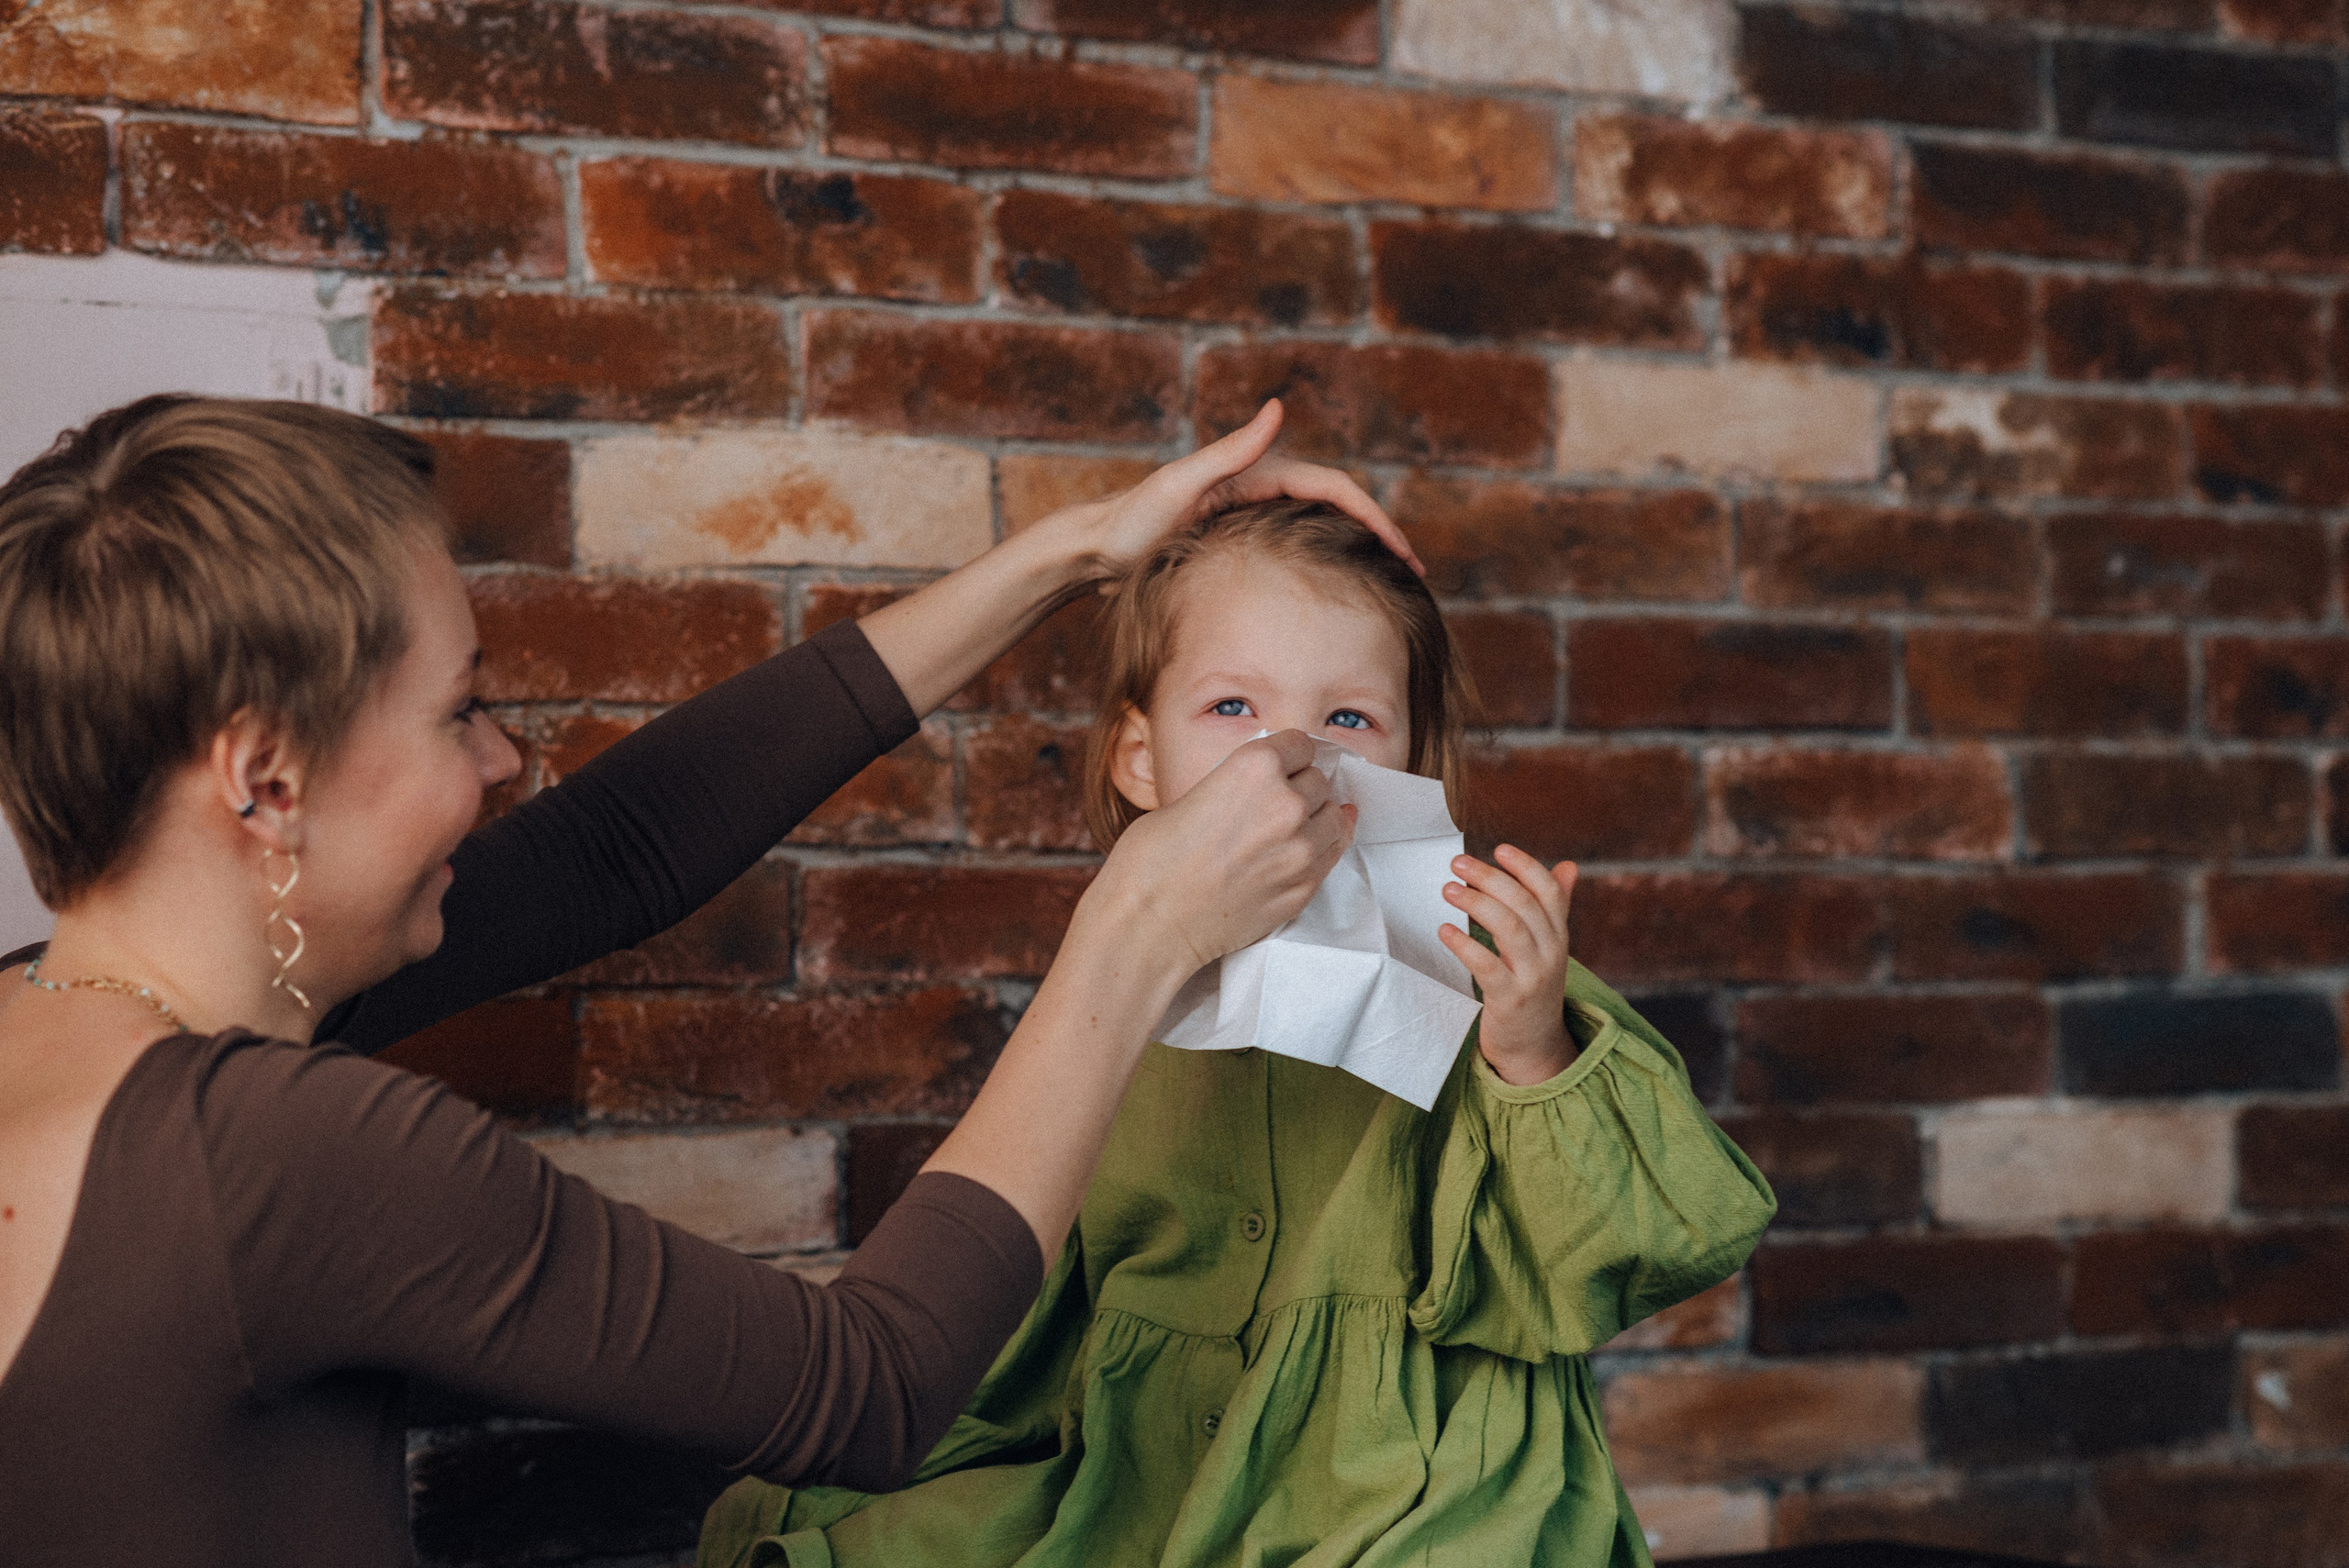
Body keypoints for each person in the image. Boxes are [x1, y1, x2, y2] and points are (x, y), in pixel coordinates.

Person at [0, 394, 1414, 1567]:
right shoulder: (280, 1154)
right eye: (460, 710)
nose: (501, 761)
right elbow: (871, 1385)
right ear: (264, 779)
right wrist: (1138, 929)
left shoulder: (72, 1013)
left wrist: (1076, 553)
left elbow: (617, 851)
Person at [700, 500, 1778, 1568]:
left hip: (1412, 1474)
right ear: (1139, 757)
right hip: (1153, 1457)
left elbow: (1639, 1246)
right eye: (1231, 705)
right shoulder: (1120, 984)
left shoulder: (1479, 961)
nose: (1291, 753)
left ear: (1414, 761)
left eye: (1348, 717)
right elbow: (1045, 1285)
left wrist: (1534, 1049)